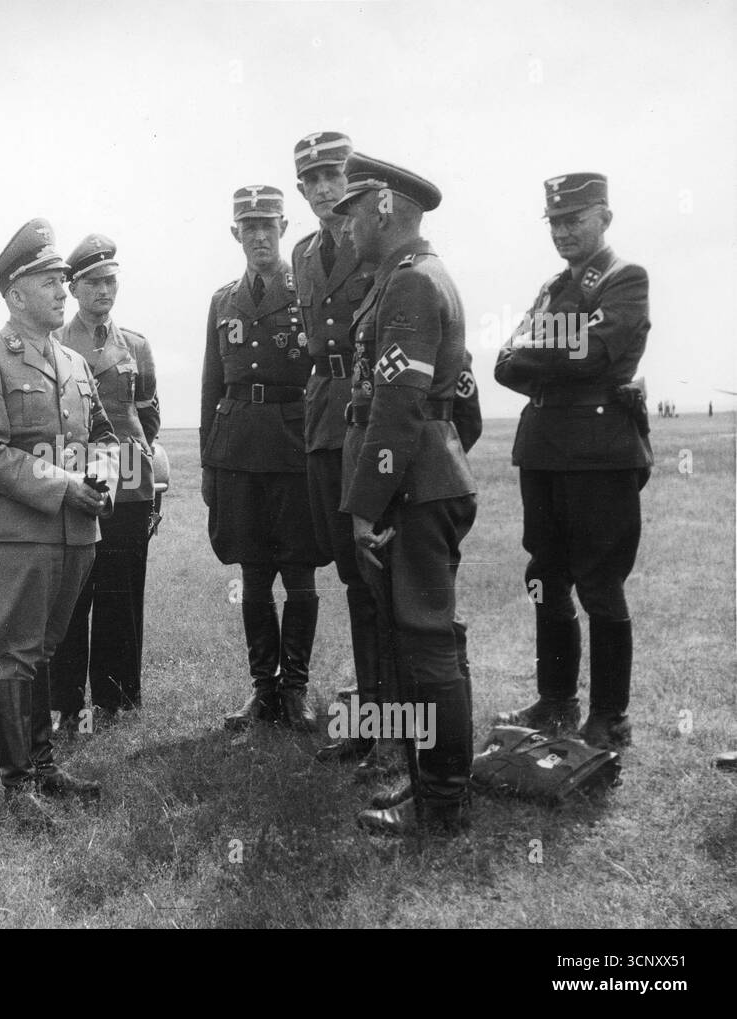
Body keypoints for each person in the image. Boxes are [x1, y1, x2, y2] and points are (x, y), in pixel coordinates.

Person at [0, 219, 119, 827]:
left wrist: (99, 474)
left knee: (46, 648)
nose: (62, 290)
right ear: (15, 293)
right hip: (17, 531)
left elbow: (102, 434)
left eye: (62, 281)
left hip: (76, 531)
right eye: (49, 281)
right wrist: (65, 484)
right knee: (18, 653)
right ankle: (18, 782)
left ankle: (44, 768)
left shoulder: (75, 363)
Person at [330, 154, 477, 835]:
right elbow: (461, 407)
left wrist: (367, 503)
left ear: (383, 206)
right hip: (422, 479)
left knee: (425, 643)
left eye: (353, 210)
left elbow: (396, 405)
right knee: (424, 640)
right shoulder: (411, 277)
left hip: (410, 489)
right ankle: (431, 787)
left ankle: (442, 800)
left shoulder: (411, 285)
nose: (346, 225)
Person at [494, 173, 651, 750]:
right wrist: (557, 347)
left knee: (601, 584)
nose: (562, 231)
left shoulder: (624, 278)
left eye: (574, 220)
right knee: (545, 576)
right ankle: (556, 698)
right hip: (544, 452)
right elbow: (505, 363)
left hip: (599, 453)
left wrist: (543, 349)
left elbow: (596, 353)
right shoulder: (552, 286)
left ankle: (611, 715)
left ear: (604, 217)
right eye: (554, 221)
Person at [288, 131, 395, 770]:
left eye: (335, 176)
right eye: (315, 181)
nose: (326, 190)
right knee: (352, 571)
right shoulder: (303, 254)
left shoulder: (376, 242)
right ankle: (374, 705)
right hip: (324, 418)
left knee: (379, 565)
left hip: (371, 415)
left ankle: (394, 713)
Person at [201, 185, 324, 733]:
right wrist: (209, 462)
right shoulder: (223, 300)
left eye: (267, 226)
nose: (258, 237)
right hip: (238, 449)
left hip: (294, 445)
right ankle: (263, 691)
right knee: (253, 572)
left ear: (283, 228)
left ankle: (295, 689)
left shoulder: (307, 292)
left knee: (299, 572)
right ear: (235, 234)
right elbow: (210, 386)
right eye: (248, 228)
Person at [48, 234, 160, 733]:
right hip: (75, 475)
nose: (104, 291)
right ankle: (66, 704)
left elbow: (149, 413)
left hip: (130, 481)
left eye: (111, 281)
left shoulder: (135, 344)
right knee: (73, 593)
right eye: (94, 282)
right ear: (73, 288)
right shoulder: (53, 345)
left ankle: (118, 700)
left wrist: (136, 473)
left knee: (122, 591)